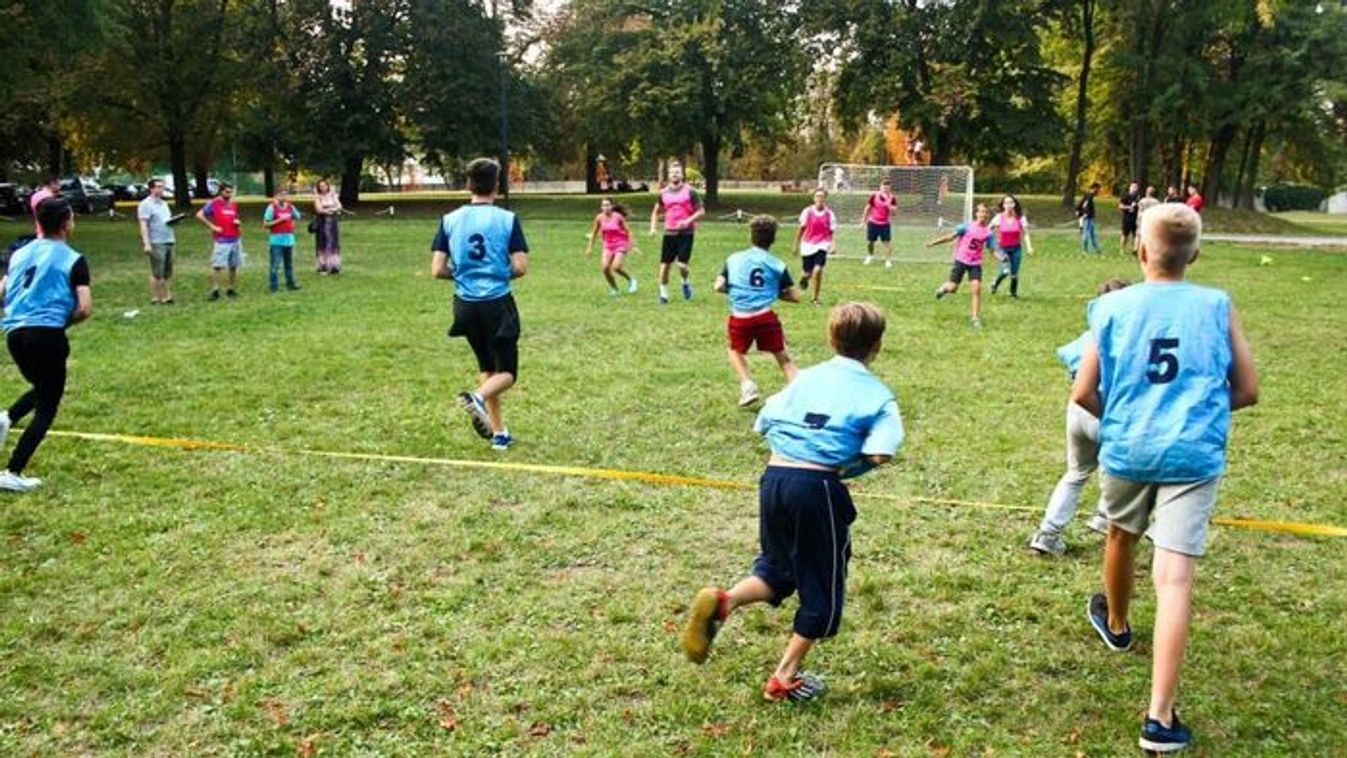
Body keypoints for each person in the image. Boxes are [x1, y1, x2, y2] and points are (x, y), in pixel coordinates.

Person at [1072, 203, 1258, 753]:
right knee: (1175, 580)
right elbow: (1247, 389)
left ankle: (1118, 623)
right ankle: (1159, 717)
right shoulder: (1217, 304)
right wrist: (1196, 414)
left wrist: (1124, 421)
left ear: (1140, 249)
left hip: (1129, 448)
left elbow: (1083, 392)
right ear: (1194, 255)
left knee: (1120, 535)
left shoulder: (1110, 306)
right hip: (1193, 454)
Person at [678, 302, 904, 702]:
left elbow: (762, 421)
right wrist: (845, 469)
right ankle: (784, 677)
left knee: (779, 567)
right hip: (816, 488)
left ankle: (726, 601)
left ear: (831, 339)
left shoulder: (804, 378)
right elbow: (880, 452)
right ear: (878, 346)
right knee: (822, 588)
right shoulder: (879, 396)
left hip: (774, 479)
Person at [1027, 277, 1131, 556]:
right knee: (1121, 469)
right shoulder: (1128, 339)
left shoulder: (1089, 336)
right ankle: (1107, 516)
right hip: (1106, 409)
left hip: (1077, 411)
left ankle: (1048, 533)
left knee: (1076, 472)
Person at [432, 158, 528, 451]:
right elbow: (520, 267)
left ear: (467, 184)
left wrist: (464, 274)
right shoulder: (507, 219)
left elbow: (437, 269)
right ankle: (476, 398)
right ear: (497, 185)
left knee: (488, 367)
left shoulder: (449, 219)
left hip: (465, 306)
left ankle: (498, 433)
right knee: (507, 373)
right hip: (497, 303)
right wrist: (495, 272)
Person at [0, 198, 93, 492]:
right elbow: (84, 308)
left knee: (44, 386)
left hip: (15, 334)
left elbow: (3, 291)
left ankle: (6, 418)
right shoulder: (73, 258)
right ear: (66, 223)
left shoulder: (19, 254)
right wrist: (58, 323)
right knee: (47, 405)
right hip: (47, 334)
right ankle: (13, 471)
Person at [715, 215, 800, 406]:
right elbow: (794, 296)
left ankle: (747, 384)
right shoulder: (777, 264)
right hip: (765, 317)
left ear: (751, 236)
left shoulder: (733, 259)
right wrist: (774, 292)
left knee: (734, 349)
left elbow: (718, 286)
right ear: (773, 239)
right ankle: (798, 393)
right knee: (783, 357)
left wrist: (735, 289)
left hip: (740, 318)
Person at [928, 202, 995, 328]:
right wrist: (933, 243)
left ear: (988, 215)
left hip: (975, 264)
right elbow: (950, 237)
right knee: (953, 288)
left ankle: (975, 318)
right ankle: (943, 289)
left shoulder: (988, 233)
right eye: (981, 211)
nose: (983, 214)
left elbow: (992, 249)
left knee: (976, 289)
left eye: (986, 212)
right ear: (976, 214)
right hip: (961, 261)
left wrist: (1002, 258)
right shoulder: (966, 227)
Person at [648, 162, 704, 304]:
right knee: (665, 267)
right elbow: (655, 212)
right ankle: (663, 296)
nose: (675, 175)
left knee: (682, 265)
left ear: (682, 175)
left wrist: (688, 221)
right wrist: (653, 228)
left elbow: (701, 211)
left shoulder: (690, 191)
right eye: (672, 172)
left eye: (677, 172)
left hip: (686, 233)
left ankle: (685, 282)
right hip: (669, 233)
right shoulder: (663, 193)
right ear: (669, 175)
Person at [196, 182, 242, 300]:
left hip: (235, 238)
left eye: (231, 192)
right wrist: (212, 226)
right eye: (227, 192)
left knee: (233, 265)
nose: (229, 194)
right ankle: (215, 290)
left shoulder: (233, 204)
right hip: (222, 239)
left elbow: (235, 217)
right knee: (218, 265)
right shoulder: (214, 203)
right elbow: (199, 215)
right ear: (221, 191)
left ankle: (230, 288)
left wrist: (237, 223)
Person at [585, 198, 637, 296]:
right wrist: (589, 247)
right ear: (601, 207)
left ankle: (631, 280)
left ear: (612, 206)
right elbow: (594, 233)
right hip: (608, 245)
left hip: (620, 243)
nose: (606, 207)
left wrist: (633, 245)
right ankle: (615, 289)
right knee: (605, 268)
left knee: (616, 267)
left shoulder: (618, 217)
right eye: (604, 205)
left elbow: (628, 231)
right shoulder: (599, 218)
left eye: (608, 205)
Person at [794, 188, 836, 306]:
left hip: (822, 244)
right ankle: (804, 278)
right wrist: (796, 245)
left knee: (817, 270)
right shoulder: (807, 212)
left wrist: (833, 245)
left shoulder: (830, 214)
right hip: (807, 245)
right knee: (807, 273)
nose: (820, 199)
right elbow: (801, 229)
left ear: (825, 199)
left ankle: (815, 299)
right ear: (814, 198)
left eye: (822, 196)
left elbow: (832, 232)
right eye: (817, 196)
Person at [137, 178, 176, 304]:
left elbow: (166, 220)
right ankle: (156, 297)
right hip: (156, 241)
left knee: (168, 270)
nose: (161, 189)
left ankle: (167, 296)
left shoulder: (164, 203)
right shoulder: (145, 204)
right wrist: (147, 243)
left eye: (162, 187)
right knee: (157, 271)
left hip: (169, 239)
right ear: (151, 188)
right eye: (158, 186)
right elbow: (143, 224)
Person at [989, 194, 1033, 299]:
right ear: (1003, 205)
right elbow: (987, 230)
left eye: (1011, 202)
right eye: (1006, 203)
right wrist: (988, 242)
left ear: (1014, 204)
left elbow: (1026, 234)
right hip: (1002, 249)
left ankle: (1013, 294)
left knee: (1014, 274)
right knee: (1005, 271)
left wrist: (1029, 247)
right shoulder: (999, 217)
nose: (1008, 205)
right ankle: (995, 283)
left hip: (1016, 249)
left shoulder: (1020, 217)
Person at [263, 187, 302, 293]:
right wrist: (279, 220)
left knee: (289, 264)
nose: (283, 197)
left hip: (289, 240)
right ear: (276, 196)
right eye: (281, 195)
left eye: (285, 195)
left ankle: (290, 284)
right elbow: (266, 224)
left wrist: (293, 220)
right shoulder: (271, 207)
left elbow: (298, 216)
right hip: (276, 240)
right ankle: (274, 287)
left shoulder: (290, 206)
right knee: (275, 264)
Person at [861, 178, 897, 268]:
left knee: (887, 242)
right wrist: (863, 222)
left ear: (890, 188)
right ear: (880, 187)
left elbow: (894, 212)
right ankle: (870, 256)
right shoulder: (874, 196)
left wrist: (890, 207)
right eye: (883, 187)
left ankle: (888, 260)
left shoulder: (892, 198)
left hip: (885, 224)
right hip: (873, 222)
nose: (885, 189)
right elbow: (867, 209)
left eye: (887, 188)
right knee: (870, 241)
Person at [313, 179, 343, 274]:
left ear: (327, 186)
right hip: (322, 222)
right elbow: (319, 209)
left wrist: (330, 210)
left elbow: (339, 206)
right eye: (320, 186)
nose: (323, 188)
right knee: (323, 242)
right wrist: (330, 210)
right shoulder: (317, 197)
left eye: (324, 185)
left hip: (333, 222)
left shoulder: (333, 196)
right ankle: (323, 266)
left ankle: (334, 266)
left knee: (333, 242)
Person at [1075, 182, 1102, 254]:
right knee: (1086, 234)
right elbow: (1084, 206)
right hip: (1087, 218)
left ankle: (1097, 249)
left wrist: (1079, 212)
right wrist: (1084, 214)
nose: (1099, 191)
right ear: (1094, 188)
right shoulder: (1089, 196)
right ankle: (1085, 250)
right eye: (1098, 189)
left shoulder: (1089, 196)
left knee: (1092, 234)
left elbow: (1080, 205)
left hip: (1090, 218)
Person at [1119, 181, 1140, 254]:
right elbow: (1120, 206)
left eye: (1136, 187)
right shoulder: (1126, 196)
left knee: (1135, 235)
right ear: (1130, 187)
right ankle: (1122, 249)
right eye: (1133, 187)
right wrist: (1129, 207)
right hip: (1127, 218)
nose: (1135, 188)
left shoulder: (1138, 197)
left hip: (1136, 218)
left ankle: (1134, 249)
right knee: (1125, 234)